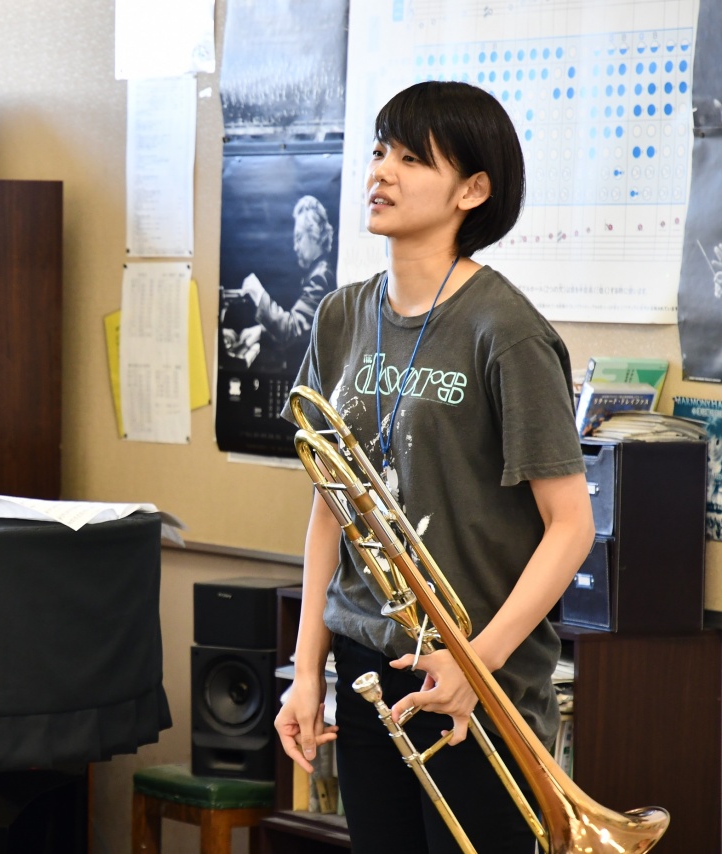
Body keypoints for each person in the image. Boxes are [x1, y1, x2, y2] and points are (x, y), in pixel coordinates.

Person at [273, 80, 595, 854]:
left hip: (476, 678)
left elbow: (571, 525)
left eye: (413, 159)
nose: (382, 172)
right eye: (381, 150)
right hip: (365, 664)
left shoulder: (505, 331)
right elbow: (333, 503)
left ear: (473, 190)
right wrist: (307, 664)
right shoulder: (342, 314)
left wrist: (474, 664)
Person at [221, 195, 336, 366]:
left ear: (315, 235)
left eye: (298, 238)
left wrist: (258, 293)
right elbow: (303, 331)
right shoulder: (319, 272)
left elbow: (291, 330)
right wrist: (260, 332)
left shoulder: (320, 277)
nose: (295, 247)